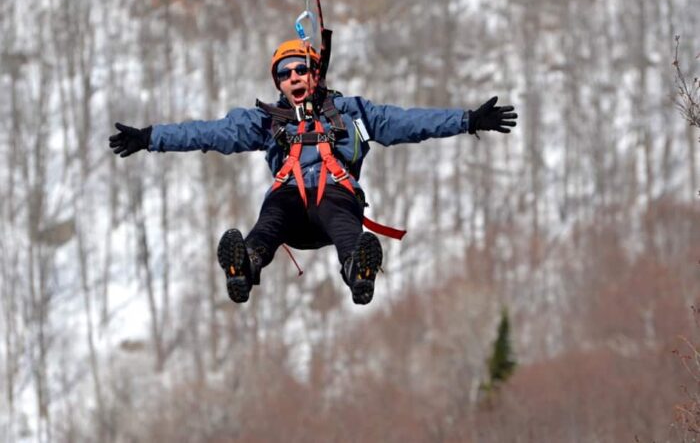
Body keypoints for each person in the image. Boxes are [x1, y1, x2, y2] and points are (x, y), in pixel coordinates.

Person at [109, 39, 517, 305]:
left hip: (334, 199)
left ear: (315, 74)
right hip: (289, 205)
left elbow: (410, 122)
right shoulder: (265, 121)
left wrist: (467, 120)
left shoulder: (354, 113)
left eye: (298, 71)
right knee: (270, 220)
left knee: (342, 219)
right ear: (279, 84)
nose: (292, 79)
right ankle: (246, 265)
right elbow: (209, 133)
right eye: (284, 75)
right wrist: (150, 137)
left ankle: (357, 267)